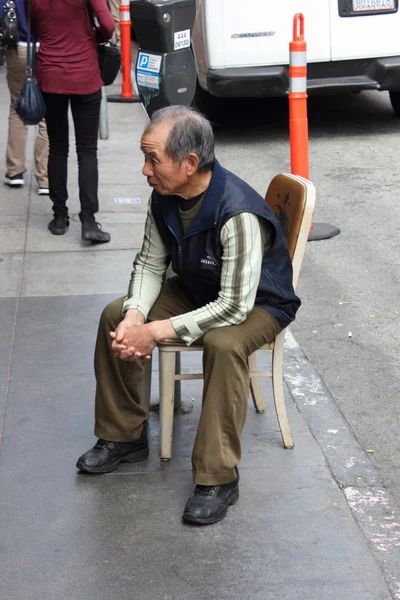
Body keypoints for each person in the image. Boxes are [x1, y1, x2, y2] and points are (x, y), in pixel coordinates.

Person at [76, 106, 301, 525]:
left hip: (258, 302)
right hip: (200, 286)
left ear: (190, 163)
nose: (145, 169)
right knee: (113, 314)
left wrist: (157, 329)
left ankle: (218, 477)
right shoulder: (166, 194)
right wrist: (135, 315)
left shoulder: (238, 213)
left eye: (152, 158)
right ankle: (123, 436)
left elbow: (234, 306)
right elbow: (149, 263)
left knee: (224, 341)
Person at [29, 0, 115, 243]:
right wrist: (91, 35)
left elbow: (34, 27)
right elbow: (108, 26)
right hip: (84, 74)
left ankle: (59, 217)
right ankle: (88, 220)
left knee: (57, 148)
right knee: (87, 151)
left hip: (50, 75)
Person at [2, 0, 49, 194]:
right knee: (48, 113)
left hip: (18, 48)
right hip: (47, 49)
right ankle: (45, 177)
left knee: (16, 107)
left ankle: (15, 171)